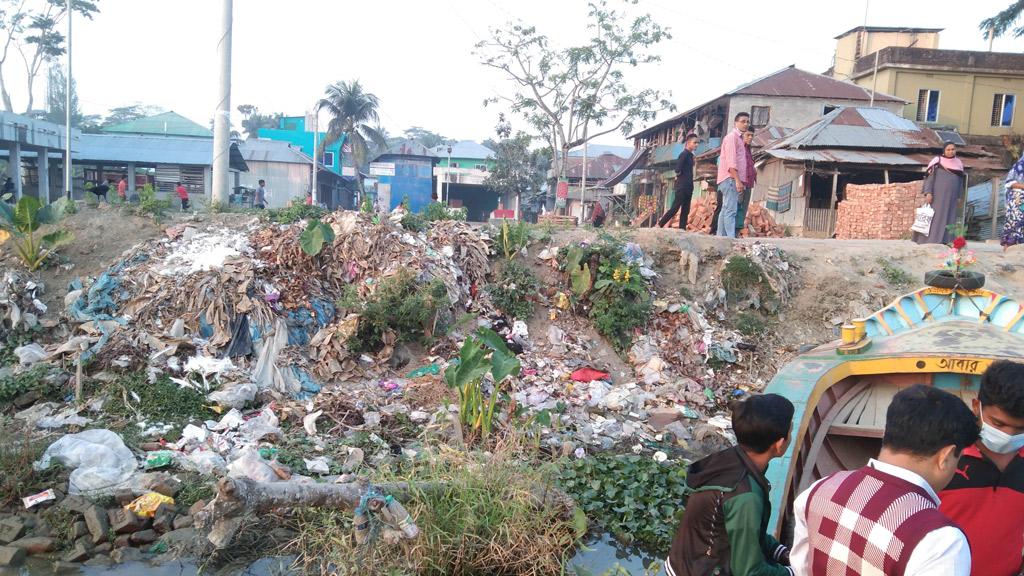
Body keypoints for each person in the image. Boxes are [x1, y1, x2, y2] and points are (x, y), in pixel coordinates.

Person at [791, 385, 979, 576]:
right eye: (958, 458)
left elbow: (801, 569)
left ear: (888, 432)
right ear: (945, 456)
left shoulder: (819, 490)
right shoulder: (942, 541)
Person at [665, 394, 795, 576]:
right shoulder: (745, 495)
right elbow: (749, 572)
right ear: (779, 444)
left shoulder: (732, 459)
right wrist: (792, 572)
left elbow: (746, 531)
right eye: (790, 430)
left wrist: (778, 551)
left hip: (684, 562)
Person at [939, 360, 1024, 576]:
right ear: (977, 406)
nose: (1009, 435)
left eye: (1021, 428)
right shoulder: (945, 454)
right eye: (999, 424)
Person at [913, 142, 965, 245]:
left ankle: (947, 240)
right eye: (948, 149)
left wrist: (959, 196)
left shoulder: (958, 163)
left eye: (953, 149)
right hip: (938, 195)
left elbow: (960, 182)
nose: (951, 151)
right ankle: (929, 240)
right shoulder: (937, 161)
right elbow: (929, 178)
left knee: (950, 217)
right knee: (935, 217)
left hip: (952, 197)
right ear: (944, 151)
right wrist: (928, 192)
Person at [716, 112, 750, 238]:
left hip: (729, 179)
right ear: (735, 123)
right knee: (731, 210)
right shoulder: (732, 138)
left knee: (725, 209)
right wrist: (737, 181)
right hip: (730, 179)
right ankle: (730, 239)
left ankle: (720, 237)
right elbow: (731, 162)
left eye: (747, 121)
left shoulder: (739, 139)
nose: (746, 124)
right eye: (743, 121)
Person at [658, 133, 699, 229]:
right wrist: (682, 177)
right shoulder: (683, 155)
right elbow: (677, 170)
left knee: (686, 210)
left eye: (698, 143)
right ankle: (660, 225)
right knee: (675, 208)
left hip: (689, 186)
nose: (696, 145)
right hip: (682, 186)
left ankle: (682, 229)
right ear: (688, 143)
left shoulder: (691, 156)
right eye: (695, 142)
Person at [1000, 151, 1024, 252]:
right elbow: (1009, 182)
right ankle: (1008, 251)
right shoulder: (1018, 166)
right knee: (1014, 224)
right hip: (1017, 200)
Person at [735, 128, 756, 235]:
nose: (750, 138)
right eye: (748, 135)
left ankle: (737, 232)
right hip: (740, 183)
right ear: (742, 135)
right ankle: (731, 232)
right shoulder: (739, 148)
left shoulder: (748, 149)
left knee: (743, 209)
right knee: (736, 207)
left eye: (752, 135)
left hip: (749, 183)